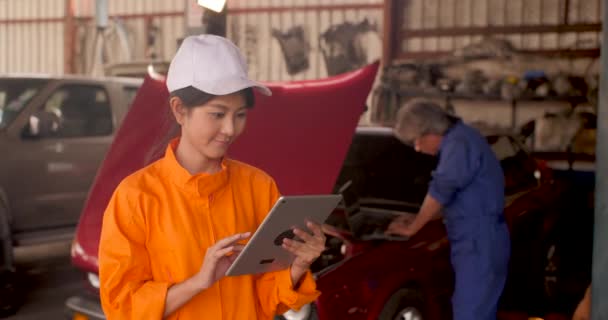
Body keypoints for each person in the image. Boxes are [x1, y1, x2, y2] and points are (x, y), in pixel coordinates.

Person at [98, 35, 326, 320]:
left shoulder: (258, 187)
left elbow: (267, 300)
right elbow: (122, 309)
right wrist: (198, 282)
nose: (230, 129)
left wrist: (298, 266)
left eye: (240, 114)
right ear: (180, 110)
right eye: (217, 114)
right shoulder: (136, 197)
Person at [386, 99, 511, 320]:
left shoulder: (458, 144)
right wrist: (419, 216)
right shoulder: (464, 137)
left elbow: (442, 189)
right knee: (478, 310)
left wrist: (413, 227)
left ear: (431, 131)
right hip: (482, 238)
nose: (417, 148)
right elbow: (462, 200)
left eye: (417, 140)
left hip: (478, 241)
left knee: (470, 313)